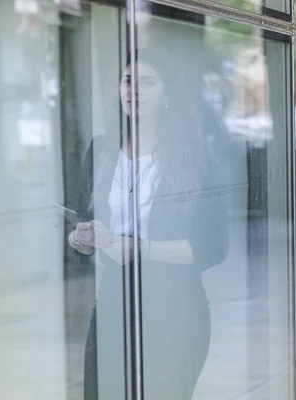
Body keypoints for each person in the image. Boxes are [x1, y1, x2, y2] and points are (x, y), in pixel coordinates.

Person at [68, 46, 229, 399]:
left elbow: (214, 247)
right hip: (113, 300)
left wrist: (141, 248)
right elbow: (84, 222)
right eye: (128, 80)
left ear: (168, 93)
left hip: (175, 308)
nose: (133, 90)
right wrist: (80, 238)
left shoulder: (194, 156)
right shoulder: (102, 148)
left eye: (147, 82)